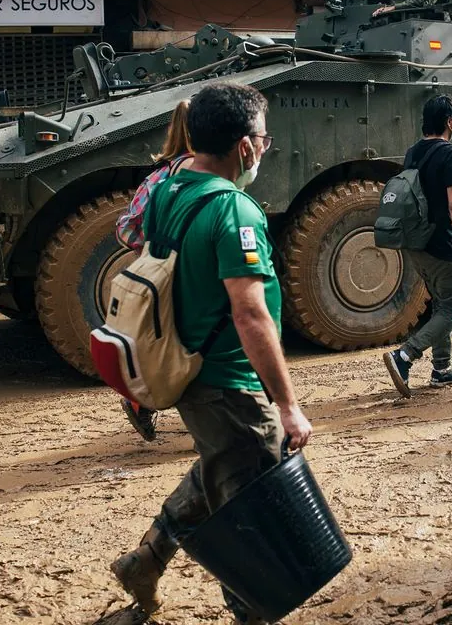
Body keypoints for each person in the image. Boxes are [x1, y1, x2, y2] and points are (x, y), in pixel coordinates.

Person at [109, 82, 312, 625]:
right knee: (253, 510)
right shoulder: (235, 212)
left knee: (224, 468)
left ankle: (145, 561)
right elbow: (250, 315)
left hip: (191, 372)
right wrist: (287, 405)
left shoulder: (168, 190)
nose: (266, 151)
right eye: (265, 141)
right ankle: (252, 612)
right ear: (246, 146)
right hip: (229, 381)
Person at [114, 99, 196, 442]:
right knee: (195, 346)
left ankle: (139, 399)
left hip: (158, 274)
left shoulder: (159, 173)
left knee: (169, 344)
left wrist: (154, 245)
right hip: (190, 276)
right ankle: (211, 430)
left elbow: (126, 229)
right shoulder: (200, 172)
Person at [381, 94, 452, 397]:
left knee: (441, 302)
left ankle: (442, 369)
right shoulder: (451, 154)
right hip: (441, 244)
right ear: (449, 121)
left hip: (414, 241)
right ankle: (405, 356)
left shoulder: (413, 152)